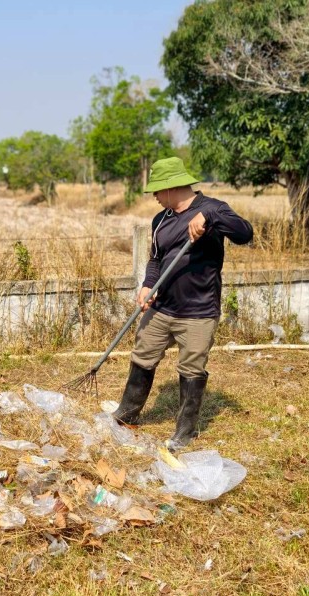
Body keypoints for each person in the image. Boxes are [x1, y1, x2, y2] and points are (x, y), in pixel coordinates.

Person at [112, 156, 253, 450]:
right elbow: (156, 259)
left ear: (171, 187)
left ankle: (184, 433)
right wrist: (148, 284)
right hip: (162, 307)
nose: (154, 196)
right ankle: (126, 416)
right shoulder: (160, 220)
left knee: (191, 369)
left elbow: (245, 233)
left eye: (156, 190)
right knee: (142, 355)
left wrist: (209, 217)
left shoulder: (213, 209)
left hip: (198, 311)